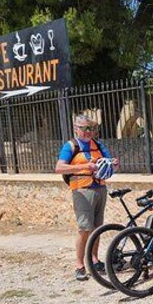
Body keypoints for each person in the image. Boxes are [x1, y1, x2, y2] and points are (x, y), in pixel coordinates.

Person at [55, 115, 119, 281]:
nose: (88, 132)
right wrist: (84, 166)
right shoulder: (71, 146)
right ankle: (79, 265)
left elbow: (108, 160)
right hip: (82, 191)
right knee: (84, 229)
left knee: (97, 228)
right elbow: (59, 168)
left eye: (90, 128)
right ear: (76, 128)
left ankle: (94, 260)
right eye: (84, 128)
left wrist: (113, 163)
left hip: (99, 188)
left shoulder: (97, 144)